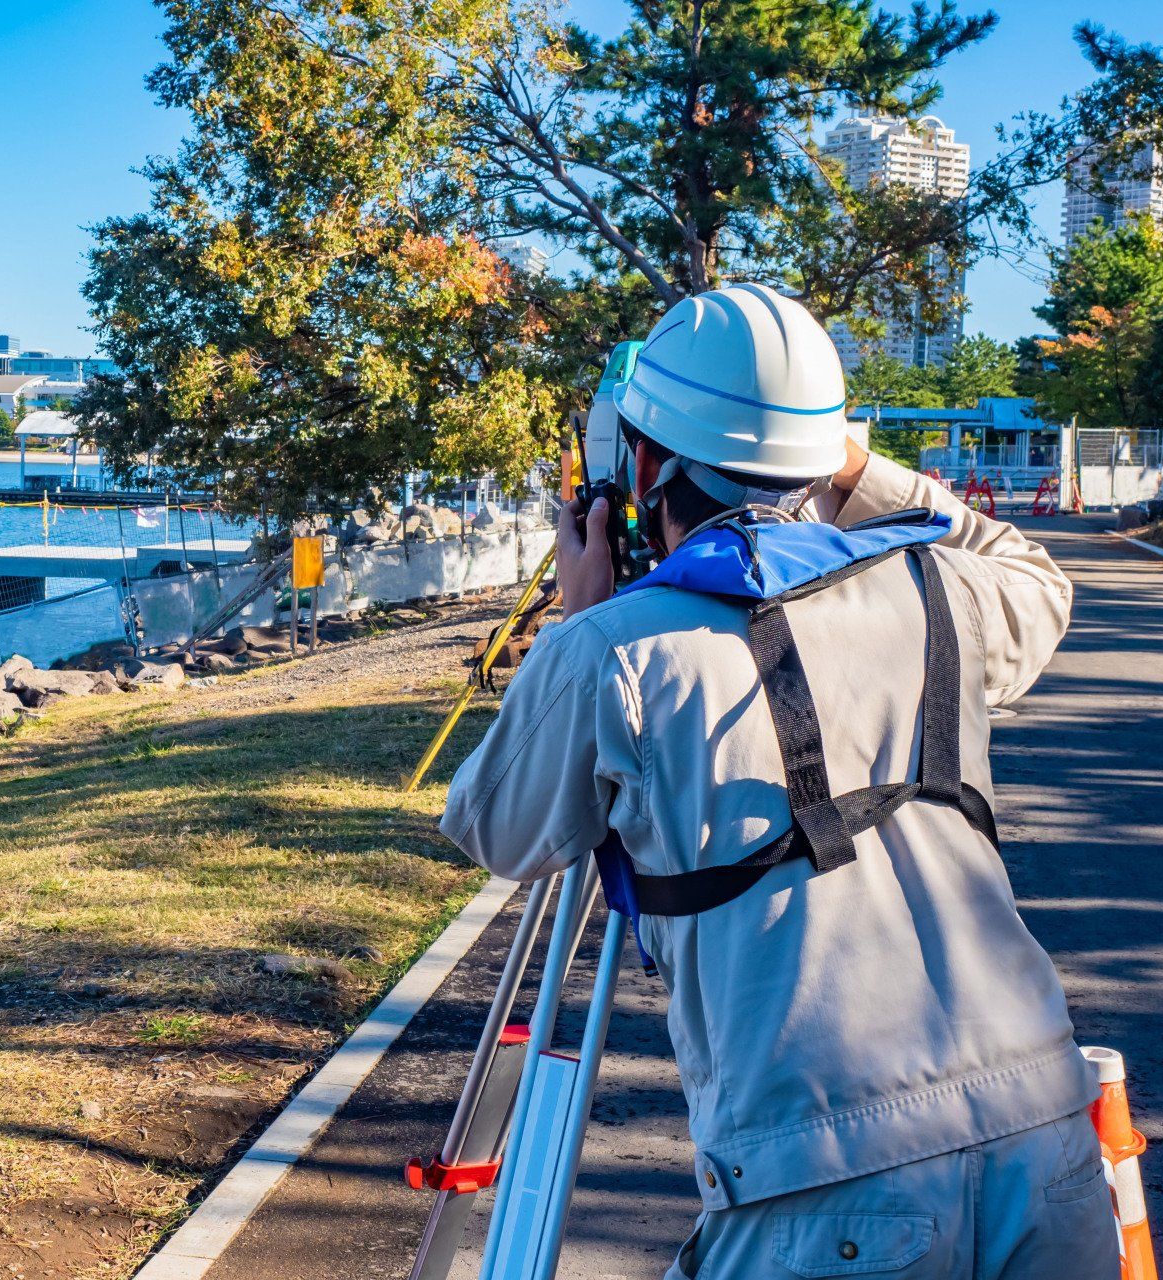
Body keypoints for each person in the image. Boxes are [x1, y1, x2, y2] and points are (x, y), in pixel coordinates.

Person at [441, 284, 1111, 1278]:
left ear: (645, 466)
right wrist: (847, 457)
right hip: (1051, 1139)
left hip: (831, 1189)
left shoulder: (616, 650)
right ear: (818, 455)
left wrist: (575, 627)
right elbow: (1032, 575)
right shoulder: (941, 589)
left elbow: (496, 828)